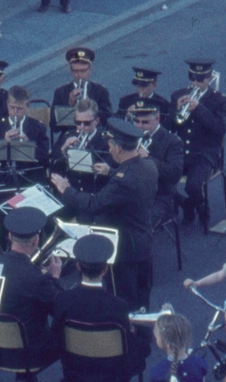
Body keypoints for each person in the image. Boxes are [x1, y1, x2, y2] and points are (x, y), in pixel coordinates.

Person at [49, 118, 158, 309]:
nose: (108, 149)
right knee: (142, 298)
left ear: (118, 148)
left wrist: (66, 189)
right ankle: (143, 335)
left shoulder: (123, 180)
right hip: (144, 241)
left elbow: (94, 204)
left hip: (125, 249)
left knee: (122, 300)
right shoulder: (148, 166)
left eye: (110, 145)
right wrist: (111, 172)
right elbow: (130, 179)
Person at [50, 234, 146, 382]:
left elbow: (56, 333)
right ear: (105, 269)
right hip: (112, 366)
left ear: (78, 266)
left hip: (75, 363)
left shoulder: (63, 300)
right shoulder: (118, 305)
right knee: (143, 348)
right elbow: (125, 342)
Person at [0, 207, 63, 382]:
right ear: (36, 241)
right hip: (30, 354)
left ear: (10, 236)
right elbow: (59, 308)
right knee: (65, 330)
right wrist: (54, 278)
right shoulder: (37, 279)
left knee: (22, 316)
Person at [172, 59, 226, 231]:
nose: (196, 83)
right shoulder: (179, 95)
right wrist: (176, 109)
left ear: (209, 78)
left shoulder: (219, 100)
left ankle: (201, 206)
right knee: (160, 180)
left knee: (193, 185)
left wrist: (199, 108)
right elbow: (169, 127)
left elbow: (220, 129)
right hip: (182, 152)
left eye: (200, 79)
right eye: (193, 78)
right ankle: (187, 205)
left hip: (205, 153)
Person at [129, 100, 184, 224]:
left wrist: (148, 158)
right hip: (132, 192)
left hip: (159, 195)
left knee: (142, 224)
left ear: (157, 119)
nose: (139, 126)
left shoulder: (172, 141)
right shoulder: (131, 138)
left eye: (145, 122)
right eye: (136, 121)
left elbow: (174, 175)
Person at [0, 84, 49, 167]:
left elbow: (45, 159)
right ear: (7, 103)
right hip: (5, 176)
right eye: (12, 107)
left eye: (19, 108)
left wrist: (28, 145)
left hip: (30, 175)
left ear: (27, 106)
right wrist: (4, 144)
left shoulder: (38, 128)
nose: (15, 112)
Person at [52, 45, 111, 127]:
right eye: (76, 71)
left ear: (90, 69)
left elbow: (108, 119)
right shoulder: (60, 92)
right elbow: (54, 127)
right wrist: (69, 105)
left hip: (94, 133)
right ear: (71, 71)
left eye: (83, 71)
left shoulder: (101, 91)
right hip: (70, 133)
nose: (79, 75)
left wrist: (90, 105)